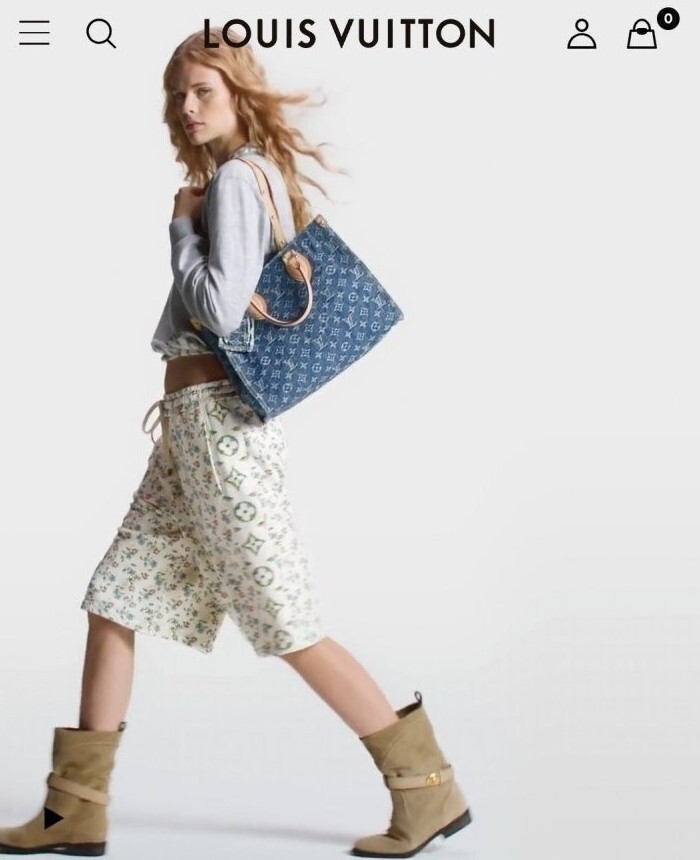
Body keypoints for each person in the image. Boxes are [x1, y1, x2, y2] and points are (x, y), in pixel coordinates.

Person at [0, 25, 472, 859]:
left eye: (203, 91)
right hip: (192, 434)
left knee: (286, 622)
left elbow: (220, 311)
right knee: (117, 600)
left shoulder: (232, 184)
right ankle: (74, 810)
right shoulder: (238, 178)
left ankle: (426, 787)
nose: (187, 107)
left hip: (220, 435)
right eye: (177, 93)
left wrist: (180, 231)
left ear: (238, 94)